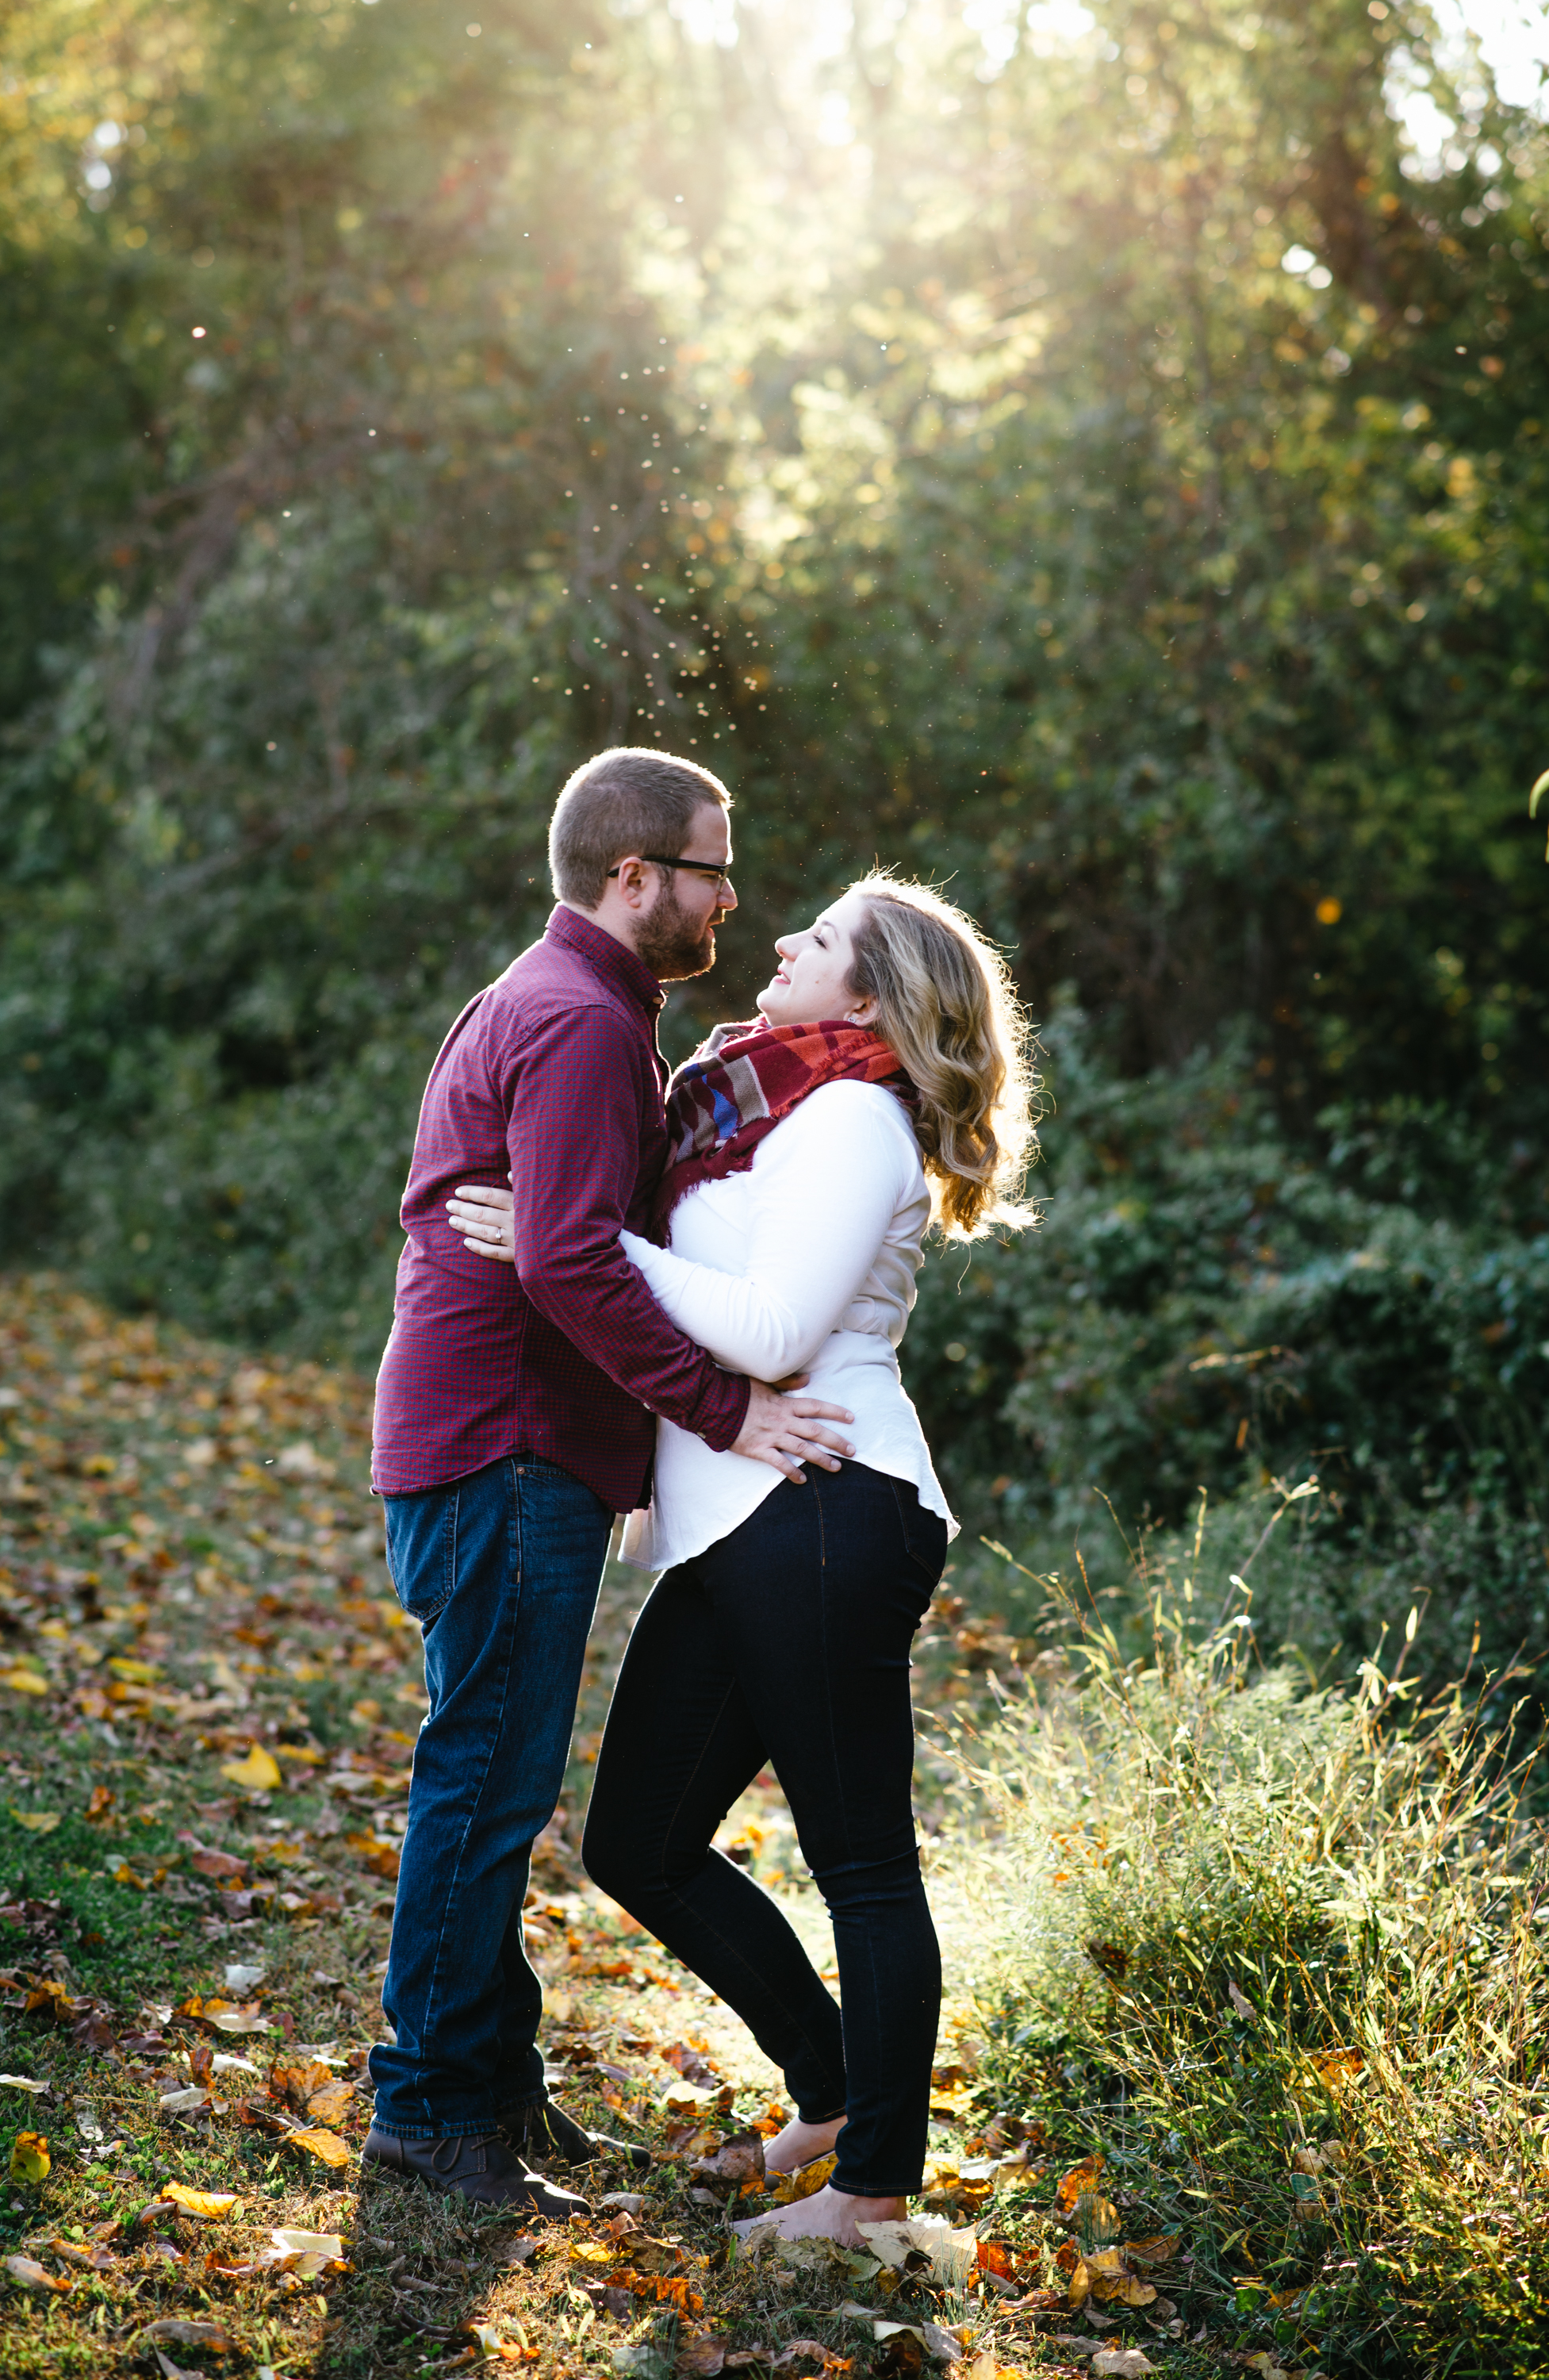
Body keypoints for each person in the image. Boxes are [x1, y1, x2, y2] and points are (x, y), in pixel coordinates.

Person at [448, 871, 1036, 2245]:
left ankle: (876, 2193)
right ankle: (831, 2095)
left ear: (875, 999)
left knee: (865, 1865)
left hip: (830, 1510)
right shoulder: (764, 1104)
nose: (782, 941)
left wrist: (576, 1245)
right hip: (742, 1526)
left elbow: (772, 1334)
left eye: (821, 941)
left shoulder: (847, 1116)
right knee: (640, 1843)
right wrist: (583, 1245)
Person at [362, 748, 856, 2217]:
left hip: (507, 1448)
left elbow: (565, 1240)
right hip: (502, 1448)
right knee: (486, 1780)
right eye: (711, 866)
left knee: (494, 1774)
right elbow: (570, 1257)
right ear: (632, 877)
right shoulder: (581, 1022)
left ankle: (494, 2092)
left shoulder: (574, 1003)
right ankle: (434, 2116)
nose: (730, 894)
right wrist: (720, 1409)